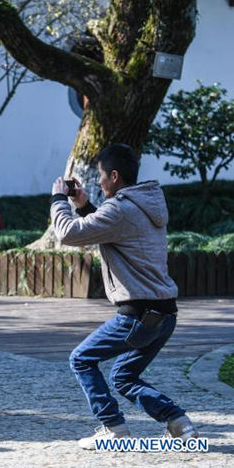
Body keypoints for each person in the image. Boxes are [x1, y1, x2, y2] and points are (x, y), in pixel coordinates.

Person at [50, 143, 199, 450]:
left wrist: (57, 199)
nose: (99, 181)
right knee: (123, 376)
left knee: (81, 359)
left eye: (101, 175)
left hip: (138, 316)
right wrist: (84, 205)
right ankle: (179, 422)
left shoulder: (119, 208)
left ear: (114, 176)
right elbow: (113, 232)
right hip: (164, 315)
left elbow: (68, 234)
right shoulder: (144, 204)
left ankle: (114, 428)